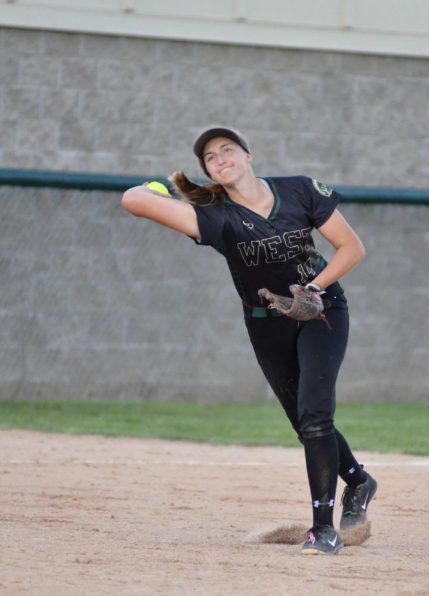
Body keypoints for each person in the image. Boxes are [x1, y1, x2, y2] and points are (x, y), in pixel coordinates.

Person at [121, 127, 378, 555]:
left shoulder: (298, 190)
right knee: (304, 423)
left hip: (321, 310)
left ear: (248, 154)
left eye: (227, 150)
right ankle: (359, 481)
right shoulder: (215, 216)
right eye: (210, 158)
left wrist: (313, 288)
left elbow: (351, 248)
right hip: (266, 321)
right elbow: (133, 202)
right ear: (209, 172)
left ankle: (323, 529)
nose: (221, 159)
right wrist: (161, 186)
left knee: (316, 413)